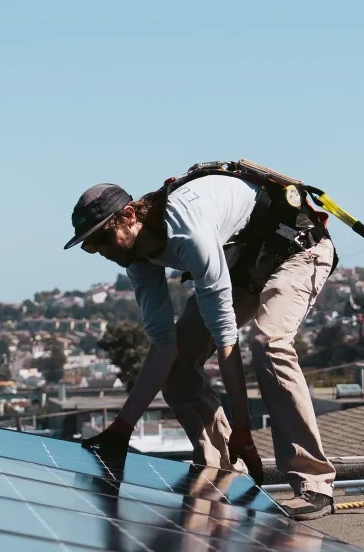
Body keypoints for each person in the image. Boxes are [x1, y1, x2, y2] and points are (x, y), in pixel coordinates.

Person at [66, 163, 338, 518]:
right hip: (245, 267)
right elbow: (164, 347)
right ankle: (221, 474)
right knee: (178, 368)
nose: (101, 250)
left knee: (268, 343)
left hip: (298, 251)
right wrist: (120, 431)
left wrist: (243, 429)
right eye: (91, 247)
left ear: (130, 215)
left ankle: (314, 483)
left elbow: (228, 345)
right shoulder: (137, 259)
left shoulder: (187, 231)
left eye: (103, 238)